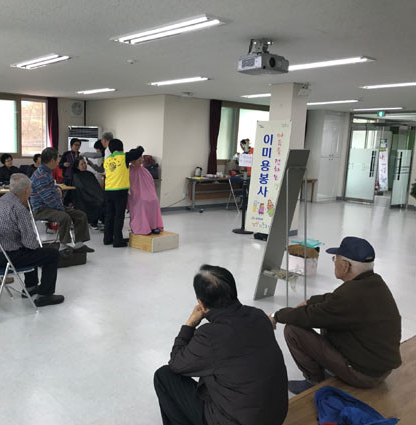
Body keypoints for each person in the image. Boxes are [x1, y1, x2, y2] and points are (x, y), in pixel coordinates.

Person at [154, 265, 288, 425]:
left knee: (164, 376)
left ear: (201, 304)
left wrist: (189, 324)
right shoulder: (258, 315)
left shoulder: (210, 335)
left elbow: (176, 363)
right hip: (276, 415)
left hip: (239, 421)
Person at [270, 237, 402, 395]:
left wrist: (276, 315)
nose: (334, 262)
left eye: (335, 259)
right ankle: (331, 370)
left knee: (293, 330)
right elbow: (331, 300)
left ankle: (314, 381)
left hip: (365, 375)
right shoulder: (374, 283)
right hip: (379, 367)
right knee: (327, 320)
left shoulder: (349, 296)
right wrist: (309, 302)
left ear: (345, 266)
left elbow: (309, 316)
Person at [0, 174, 64, 307]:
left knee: (27, 249)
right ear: (27, 191)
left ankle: (31, 287)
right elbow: (31, 244)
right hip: (6, 257)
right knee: (51, 254)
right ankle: (45, 295)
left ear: (10, 187)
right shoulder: (19, 209)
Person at [30, 147, 94, 256]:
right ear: (52, 160)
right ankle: (63, 246)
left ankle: (79, 244)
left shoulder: (47, 172)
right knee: (64, 216)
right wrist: (61, 206)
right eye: (57, 159)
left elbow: (52, 190)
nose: (58, 162)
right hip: (41, 209)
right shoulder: (40, 175)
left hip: (52, 206)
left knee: (80, 215)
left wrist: (58, 189)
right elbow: (49, 199)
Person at [103, 139, 144, 248]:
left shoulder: (107, 160)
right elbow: (139, 152)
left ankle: (107, 239)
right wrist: (139, 148)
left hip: (108, 190)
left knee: (109, 215)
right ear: (122, 148)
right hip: (120, 191)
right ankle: (117, 240)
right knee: (119, 216)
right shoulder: (124, 157)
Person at [128, 156, 163, 235]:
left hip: (147, 194)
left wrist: (151, 194)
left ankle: (153, 225)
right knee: (142, 202)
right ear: (132, 160)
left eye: (141, 157)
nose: (141, 159)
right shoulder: (129, 170)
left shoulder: (145, 171)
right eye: (138, 158)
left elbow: (151, 185)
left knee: (154, 200)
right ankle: (143, 227)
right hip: (134, 195)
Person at [71, 157, 104, 230]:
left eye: (85, 163)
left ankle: (103, 220)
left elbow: (96, 187)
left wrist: (99, 195)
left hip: (93, 195)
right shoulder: (76, 176)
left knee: (104, 200)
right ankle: (93, 222)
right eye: (82, 164)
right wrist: (94, 196)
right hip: (84, 197)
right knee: (98, 202)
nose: (84, 165)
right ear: (77, 167)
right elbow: (82, 189)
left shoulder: (90, 174)